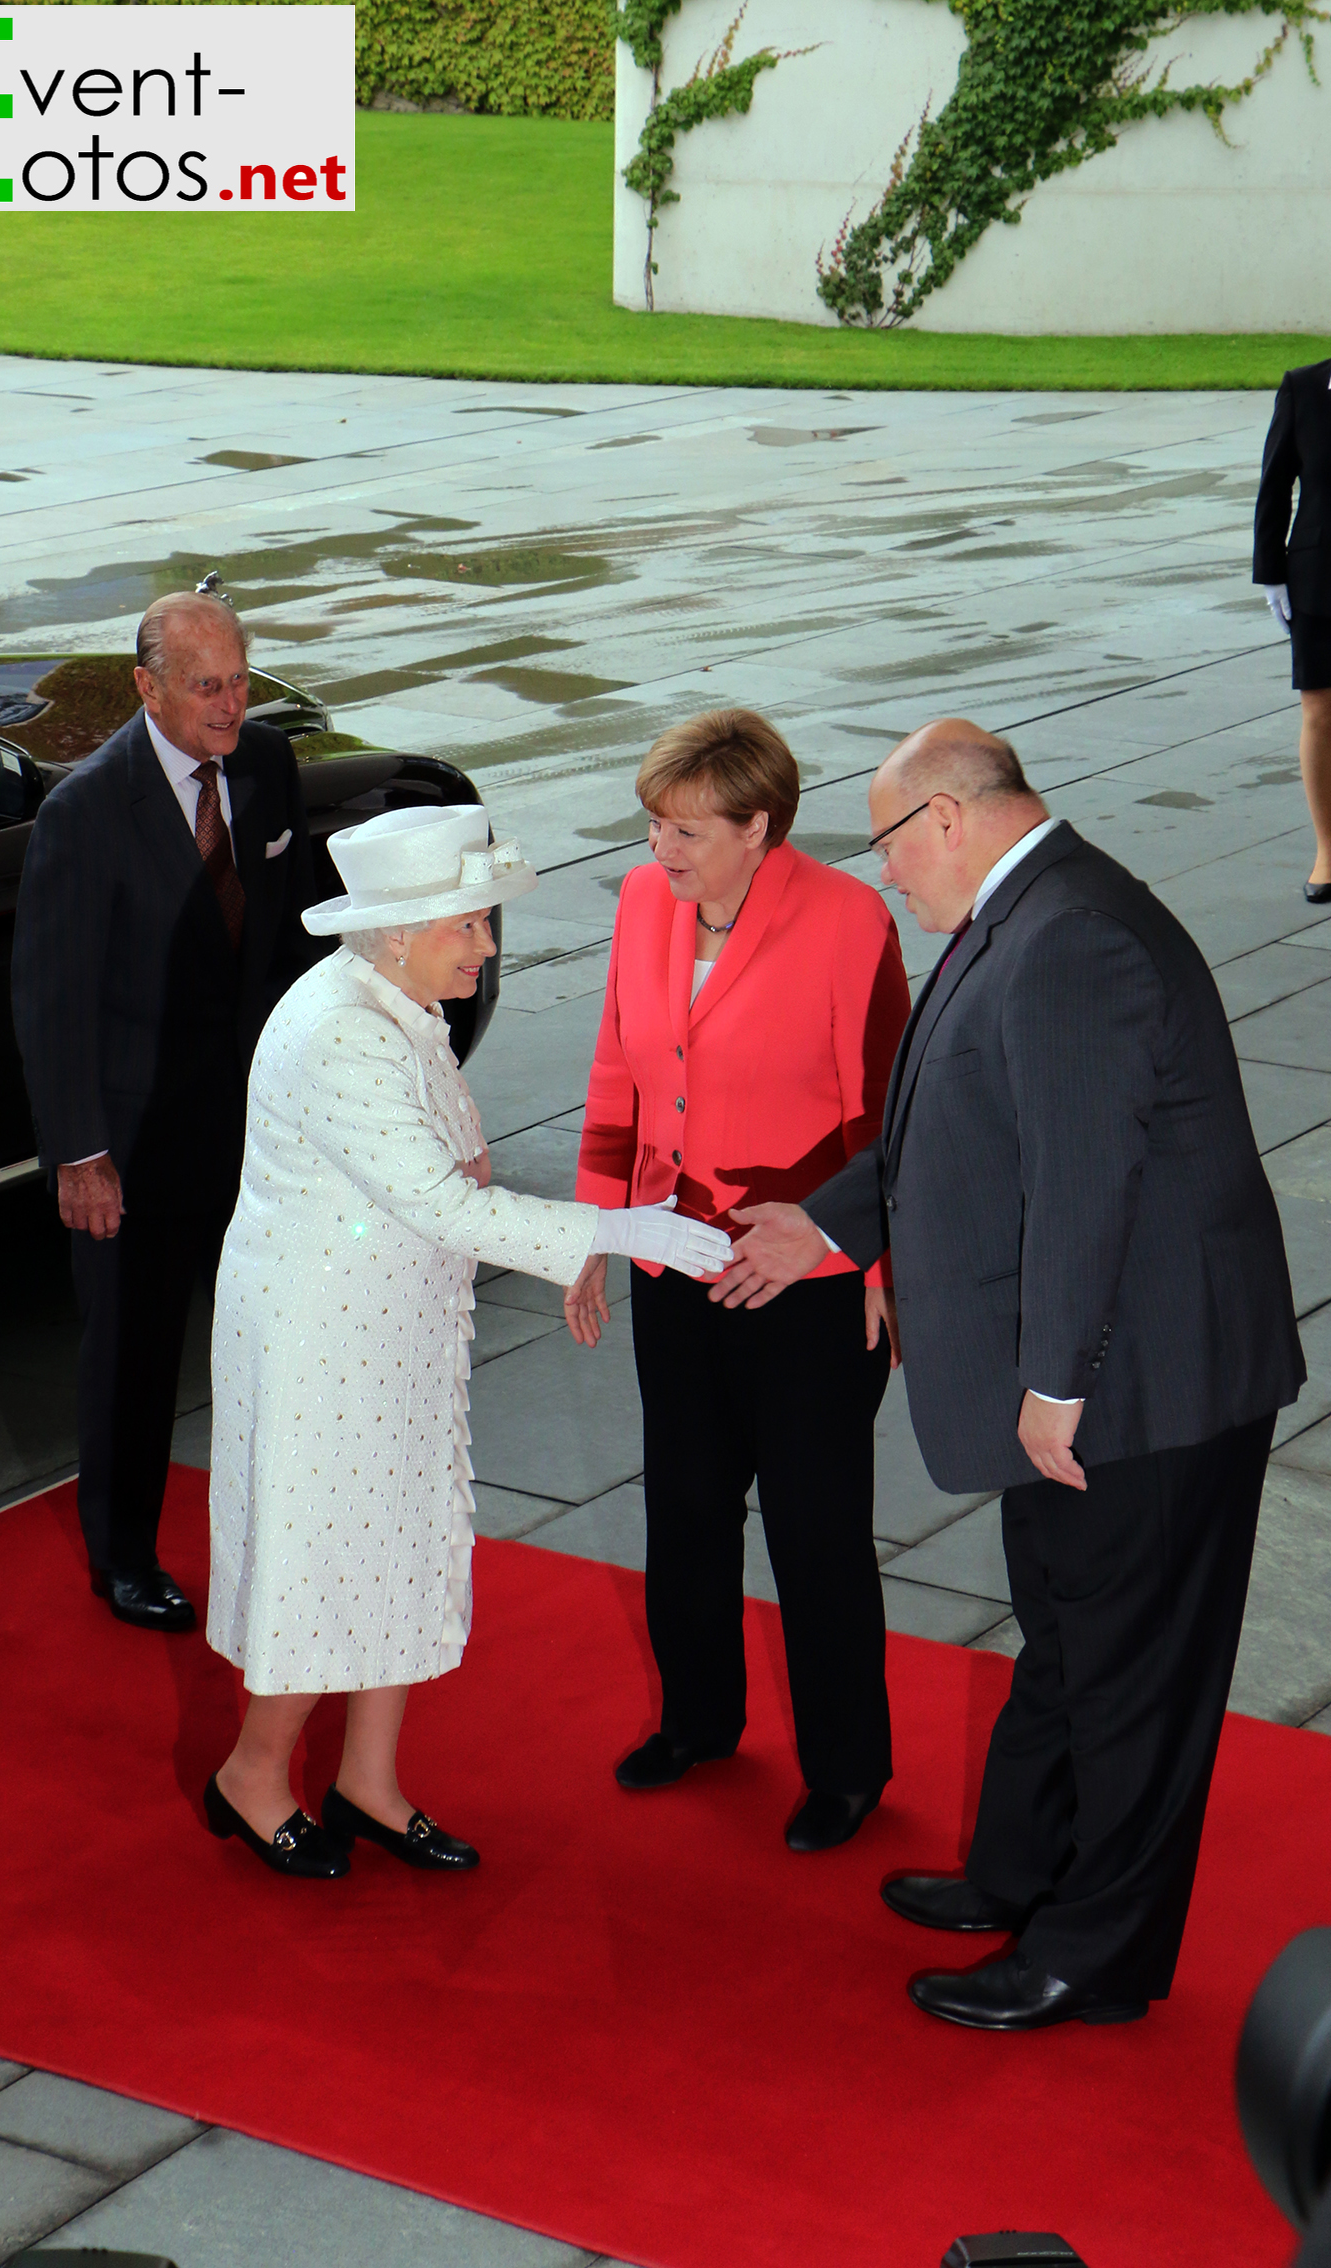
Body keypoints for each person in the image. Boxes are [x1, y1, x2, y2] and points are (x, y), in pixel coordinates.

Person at [711, 719, 1305, 2027]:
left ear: (944, 819)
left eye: (883, 847)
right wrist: (823, 1219)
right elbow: (956, 1126)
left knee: (1133, 1675)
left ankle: (1093, 1956)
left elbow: (1081, 1186)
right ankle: (1020, 1873)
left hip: (1146, 1388)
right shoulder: (1022, 913)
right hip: (1118, 1369)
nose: (883, 876)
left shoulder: (1069, 942)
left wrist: (1053, 1383)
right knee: (1065, 1634)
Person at [203, 805, 732, 1879]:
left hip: (389, 1327)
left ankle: (369, 1783)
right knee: (323, 1560)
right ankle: (252, 1777)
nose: (487, 949)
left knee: (396, 1541)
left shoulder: (394, 998)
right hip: (323, 1345)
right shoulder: (344, 1029)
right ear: (402, 929)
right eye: (474, 926)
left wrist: (520, 1201)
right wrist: (617, 1230)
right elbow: (443, 1204)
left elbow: (455, 1169)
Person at [568, 710, 912, 1852]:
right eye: (655, 824)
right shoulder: (638, 905)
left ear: (759, 826)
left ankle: (848, 1768)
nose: (659, 850)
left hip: (803, 1271)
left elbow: (887, 1114)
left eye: (686, 830)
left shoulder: (849, 920)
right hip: (679, 1252)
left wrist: (872, 1260)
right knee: (688, 1504)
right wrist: (596, 1231)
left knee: (817, 1528)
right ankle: (699, 1722)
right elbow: (618, 1067)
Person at [12, 591, 321, 1633]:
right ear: (147, 688)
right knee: (133, 1360)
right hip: (134, 1146)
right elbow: (51, 1003)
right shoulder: (87, 812)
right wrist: (80, 1154)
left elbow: (291, 938)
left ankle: (280, 1529)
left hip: (250, 1131)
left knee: (269, 1335)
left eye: (240, 682)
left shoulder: (269, 765)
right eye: (207, 688)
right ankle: (124, 1559)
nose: (231, 707)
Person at [1254, 357, 1331, 901]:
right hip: (1319, 579)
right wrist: (1271, 574)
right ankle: (1329, 848)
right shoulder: (1303, 389)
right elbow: (1275, 485)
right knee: (1320, 711)